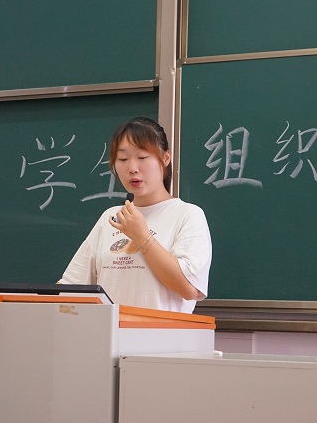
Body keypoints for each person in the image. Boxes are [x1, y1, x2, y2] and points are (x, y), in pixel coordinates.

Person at [58, 117, 211, 313]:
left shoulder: (187, 215)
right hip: (108, 331)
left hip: (161, 332)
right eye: (122, 159)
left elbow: (189, 288)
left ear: (165, 158)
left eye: (142, 157)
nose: (132, 168)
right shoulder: (111, 217)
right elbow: (70, 287)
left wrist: (142, 236)